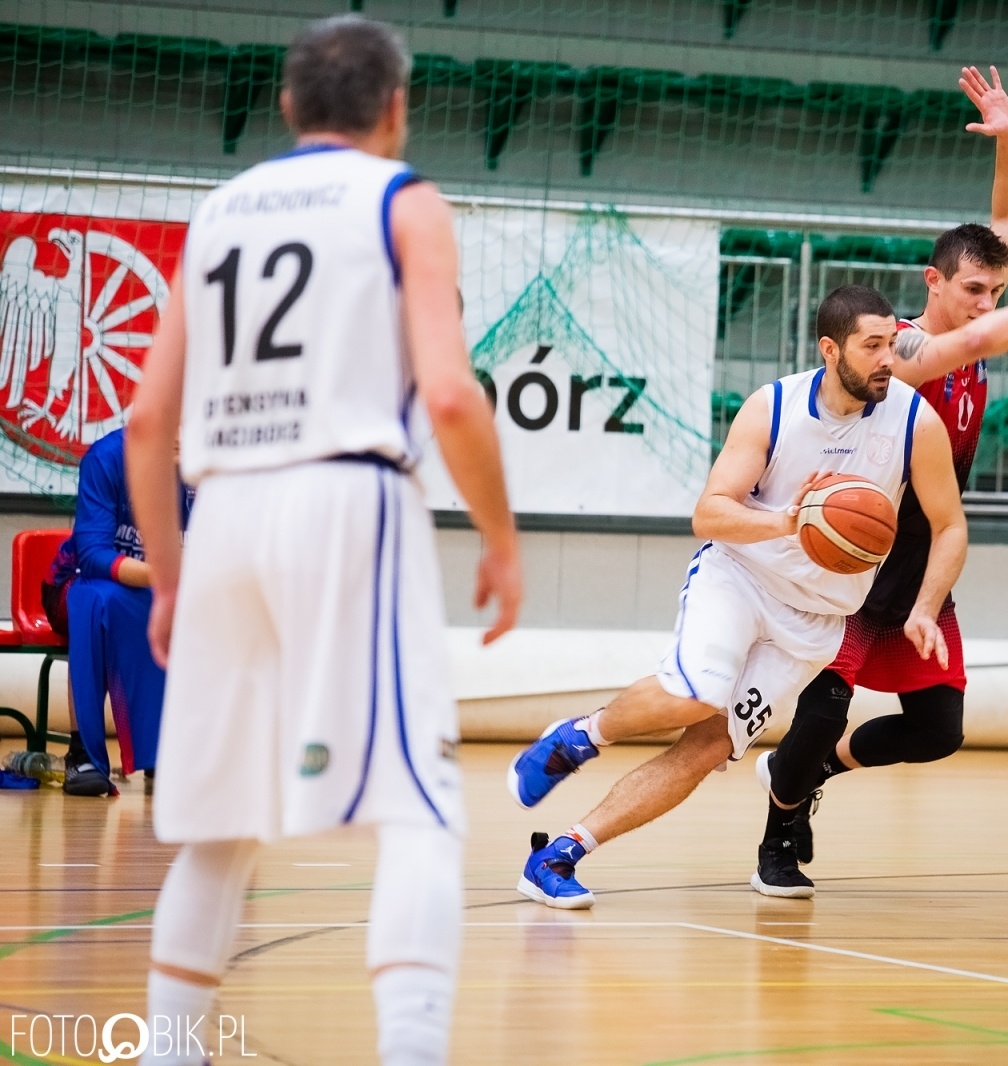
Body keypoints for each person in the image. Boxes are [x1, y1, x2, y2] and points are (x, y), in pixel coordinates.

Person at [124, 15, 521, 1066]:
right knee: (422, 811)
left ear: (289, 105)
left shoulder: (218, 211)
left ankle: (169, 1051)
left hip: (222, 514)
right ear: (396, 108)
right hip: (346, 501)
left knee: (217, 828)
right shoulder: (403, 198)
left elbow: (148, 424)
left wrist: (169, 580)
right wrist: (500, 537)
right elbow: (449, 392)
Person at [747, 69, 1008, 896]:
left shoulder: (980, 294)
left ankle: (806, 772)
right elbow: (978, 339)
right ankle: (779, 836)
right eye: (972, 290)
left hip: (924, 555)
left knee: (937, 730)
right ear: (933, 283)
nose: (986, 303)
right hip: (859, 548)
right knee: (825, 704)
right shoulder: (904, 349)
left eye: (997, 291)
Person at [505, 284, 967, 909]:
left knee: (706, 748)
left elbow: (950, 525)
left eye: (893, 344)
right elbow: (709, 513)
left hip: (816, 621)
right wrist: (789, 522)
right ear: (831, 350)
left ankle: (559, 856)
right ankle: (579, 736)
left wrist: (924, 606)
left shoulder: (914, 420)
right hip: (740, 579)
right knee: (696, 693)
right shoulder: (773, 407)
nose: (889, 358)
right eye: (873, 345)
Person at [42, 427, 192, 797]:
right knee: (101, 600)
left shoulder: (209, 469)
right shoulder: (106, 457)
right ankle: (83, 752)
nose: (178, 428)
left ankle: (165, 749)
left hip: (160, 587)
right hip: (76, 584)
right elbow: (93, 556)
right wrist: (165, 574)